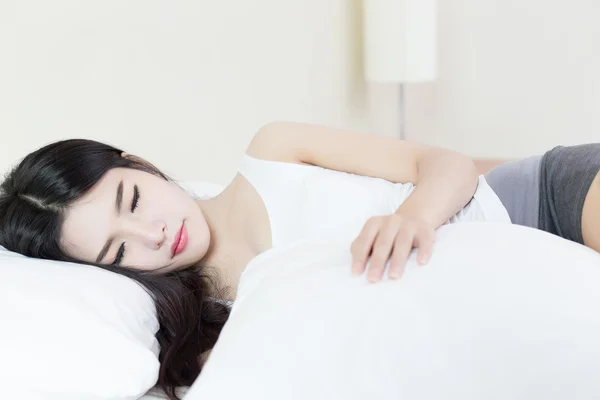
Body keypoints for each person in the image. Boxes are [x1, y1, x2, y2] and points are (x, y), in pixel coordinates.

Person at [0, 121, 584, 399]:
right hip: (516, 321)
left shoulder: (275, 150)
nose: (153, 233)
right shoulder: (209, 335)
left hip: (537, 199)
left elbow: (449, 162)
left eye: (132, 199)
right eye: (118, 249)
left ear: (138, 162)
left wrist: (414, 219)